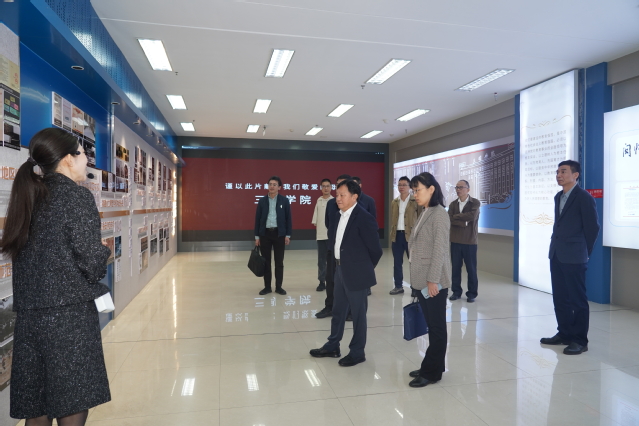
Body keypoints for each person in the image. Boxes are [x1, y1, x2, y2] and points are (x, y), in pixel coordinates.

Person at [2, 128, 111, 426]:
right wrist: (103, 251)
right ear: (67, 159)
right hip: (69, 318)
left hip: (30, 318)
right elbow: (92, 263)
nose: (87, 159)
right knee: (71, 401)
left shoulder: (30, 194)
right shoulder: (76, 197)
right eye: (82, 153)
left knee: (36, 406)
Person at [309, 180, 382, 366]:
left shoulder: (364, 217)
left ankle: (357, 352)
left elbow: (376, 250)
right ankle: (332, 345)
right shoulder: (337, 215)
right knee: (338, 310)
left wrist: (363, 268)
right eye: (337, 195)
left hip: (357, 273)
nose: (338, 198)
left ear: (354, 196)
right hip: (339, 269)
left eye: (342, 195)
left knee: (358, 315)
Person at [541, 160, 600, 355]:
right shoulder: (559, 196)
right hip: (557, 254)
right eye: (557, 172)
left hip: (575, 256)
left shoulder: (584, 197)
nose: (559, 175)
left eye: (563, 171)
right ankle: (564, 333)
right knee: (560, 298)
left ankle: (580, 340)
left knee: (577, 300)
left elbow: (593, 228)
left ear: (575, 175)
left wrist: (584, 252)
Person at [407, 172, 451, 387]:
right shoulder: (426, 211)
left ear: (431, 189)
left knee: (436, 327)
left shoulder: (439, 214)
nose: (415, 194)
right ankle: (435, 365)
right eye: (413, 191)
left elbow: (440, 250)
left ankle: (431, 372)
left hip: (433, 281)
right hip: (422, 278)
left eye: (418, 190)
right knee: (432, 325)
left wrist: (432, 280)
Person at [315, 174, 350, 318]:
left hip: (348, 250)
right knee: (330, 279)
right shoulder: (331, 204)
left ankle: (349, 311)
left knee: (347, 281)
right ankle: (329, 306)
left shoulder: (356, 204)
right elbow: (328, 223)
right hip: (332, 247)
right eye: (338, 185)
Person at [254, 176, 292, 296]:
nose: (272, 186)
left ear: (279, 187)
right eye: (270, 184)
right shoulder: (262, 201)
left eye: (274, 184)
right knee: (266, 262)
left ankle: (279, 287)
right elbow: (257, 219)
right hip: (265, 234)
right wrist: (257, 237)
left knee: (279, 262)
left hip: (279, 234)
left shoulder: (284, 201)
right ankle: (267, 287)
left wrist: (287, 235)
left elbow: (288, 219)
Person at [448, 180, 481, 302]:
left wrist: (456, 217)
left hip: (470, 241)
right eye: (457, 187)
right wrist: (464, 222)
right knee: (455, 268)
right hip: (455, 241)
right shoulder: (453, 204)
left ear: (468, 189)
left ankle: (471, 294)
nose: (458, 190)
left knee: (471, 269)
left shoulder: (475, 203)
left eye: (461, 187)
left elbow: (472, 216)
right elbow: (449, 218)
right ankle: (456, 292)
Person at [389, 176, 419, 295]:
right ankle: (398, 286)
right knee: (397, 263)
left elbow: (420, 218)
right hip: (397, 235)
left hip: (411, 236)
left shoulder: (415, 201)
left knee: (413, 263)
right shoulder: (394, 202)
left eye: (404, 185)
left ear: (410, 187)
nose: (401, 187)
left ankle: (415, 288)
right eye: (399, 185)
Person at [311, 179, 333, 291]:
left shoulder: (334, 201)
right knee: (321, 260)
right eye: (323, 186)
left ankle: (332, 281)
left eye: (328, 186)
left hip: (331, 236)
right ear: (320, 188)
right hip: (320, 235)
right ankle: (321, 282)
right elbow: (315, 219)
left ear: (331, 187)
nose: (326, 188)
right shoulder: (319, 201)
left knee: (332, 260)